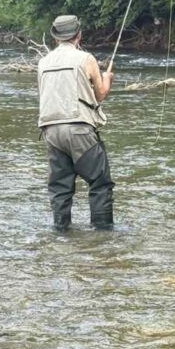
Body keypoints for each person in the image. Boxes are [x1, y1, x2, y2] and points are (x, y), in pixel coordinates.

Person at [37, 15, 115, 231]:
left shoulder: (43, 62)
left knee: (60, 188)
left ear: (55, 38)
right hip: (79, 129)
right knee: (100, 183)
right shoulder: (86, 59)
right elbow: (100, 95)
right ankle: (103, 234)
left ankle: (61, 232)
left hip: (51, 131)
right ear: (78, 35)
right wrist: (108, 79)